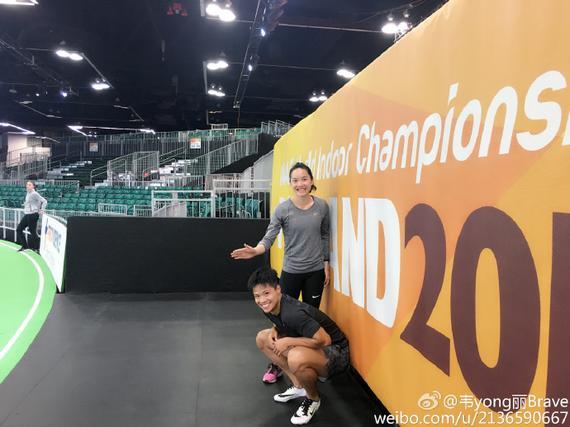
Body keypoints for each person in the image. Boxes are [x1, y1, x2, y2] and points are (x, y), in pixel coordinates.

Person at [231, 162, 331, 384]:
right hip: (292, 271)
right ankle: (277, 364)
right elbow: (269, 236)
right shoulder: (283, 209)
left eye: (304, 179)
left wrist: (326, 262)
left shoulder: (322, 207)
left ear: (311, 181)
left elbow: (324, 235)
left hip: (315, 272)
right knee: (284, 322)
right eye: (295, 180)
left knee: (309, 322)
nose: (300, 184)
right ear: (290, 183)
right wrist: (256, 250)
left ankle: (310, 363)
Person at [248, 267, 349, 425]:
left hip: (337, 353)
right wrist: (275, 329)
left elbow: (325, 340)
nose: (262, 300)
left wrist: (288, 341)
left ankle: (313, 399)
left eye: (266, 293)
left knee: (296, 357)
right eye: (257, 296)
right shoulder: (270, 306)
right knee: (263, 338)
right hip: (318, 347)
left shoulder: (293, 312)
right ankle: (299, 385)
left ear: (278, 289)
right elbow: (281, 321)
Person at [16, 181, 47, 252]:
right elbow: (31, 202)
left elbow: (44, 201)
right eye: (27, 184)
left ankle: (37, 248)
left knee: (32, 232)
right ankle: (25, 246)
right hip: (28, 214)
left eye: (29, 185)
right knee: (19, 229)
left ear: (33, 186)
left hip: (33, 214)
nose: (27, 186)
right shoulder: (28, 193)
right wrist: (25, 204)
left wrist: (42, 210)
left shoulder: (34, 194)